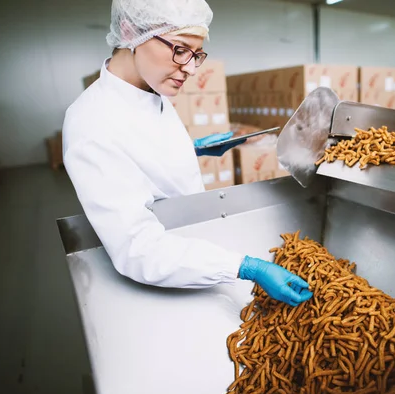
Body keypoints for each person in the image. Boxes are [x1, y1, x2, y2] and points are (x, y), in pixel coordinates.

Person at [62, 0, 312, 307]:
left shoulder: (149, 89)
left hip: (194, 242)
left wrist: (193, 149)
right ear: (130, 32)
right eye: (180, 50)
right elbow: (137, 249)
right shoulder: (91, 123)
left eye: (197, 55)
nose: (191, 69)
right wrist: (246, 267)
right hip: (164, 274)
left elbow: (138, 154)